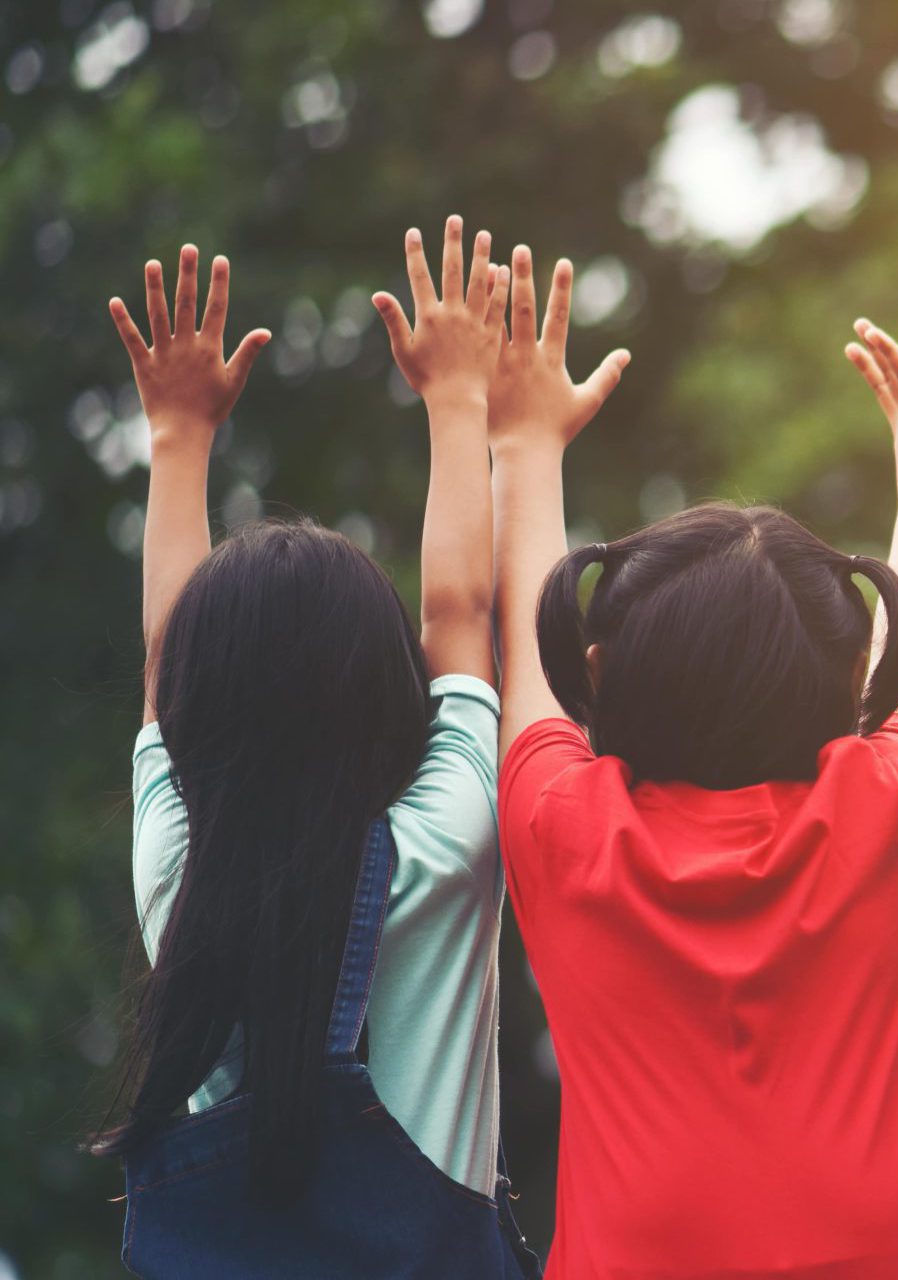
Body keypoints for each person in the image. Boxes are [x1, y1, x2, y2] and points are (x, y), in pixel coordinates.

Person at [489, 278, 898, 1277]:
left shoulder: (564, 829)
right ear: (849, 683)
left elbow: (523, 657)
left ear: (599, 673)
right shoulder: (887, 812)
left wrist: (526, 447)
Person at [99, 222, 539, 1276]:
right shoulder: (449, 843)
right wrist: (458, 398)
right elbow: (461, 609)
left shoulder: (178, 868)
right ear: (390, 691)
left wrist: (175, 436)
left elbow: (169, 654)